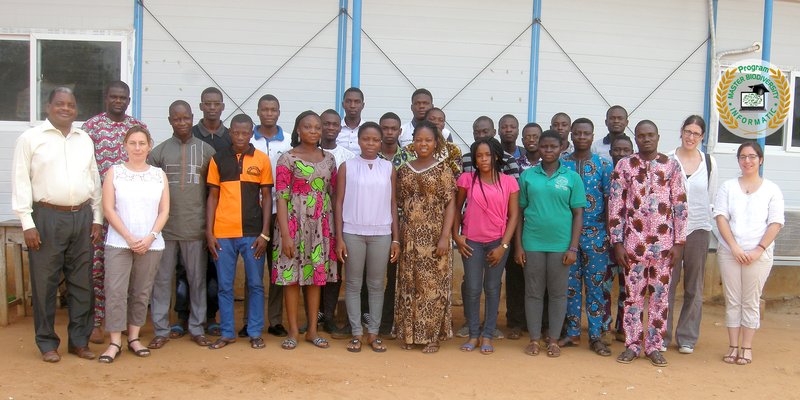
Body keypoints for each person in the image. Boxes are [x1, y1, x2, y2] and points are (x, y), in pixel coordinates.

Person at [12, 87, 103, 362]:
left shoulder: (84, 139)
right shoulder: (31, 138)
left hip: (82, 217)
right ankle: (47, 343)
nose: (66, 108)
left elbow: (94, 179)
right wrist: (27, 222)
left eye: (71, 104)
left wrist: (97, 218)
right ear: (48, 107)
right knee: (45, 284)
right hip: (46, 217)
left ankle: (79, 342)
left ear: (76, 109)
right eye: (60, 104)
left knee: (82, 284)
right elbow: (20, 181)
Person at [610, 120, 687, 367]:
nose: (646, 139)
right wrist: (617, 242)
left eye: (650, 135)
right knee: (632, 297)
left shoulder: (672, 166)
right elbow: (616, 204)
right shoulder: (625, 166)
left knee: (660, 297)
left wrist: (679, 242)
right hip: (633, 243)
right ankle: (632, 346)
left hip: (664, 246)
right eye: (641, 136)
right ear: (636, 139)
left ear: (658, 137)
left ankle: (654, 347)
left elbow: (680, 205)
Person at [81, 81, 147, 345]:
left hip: (130, 213)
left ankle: (126, 324)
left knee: (130, 270)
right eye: (114, 97)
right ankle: (97, 321)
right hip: (99, 212)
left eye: (123, 97)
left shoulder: (137, 128)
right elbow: (83, 167)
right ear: (106, 98)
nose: (118, 101)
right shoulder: (91, 127)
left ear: (128, 100)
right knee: (98, 269)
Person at [147, 101, 216, 350]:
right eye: (176, 119)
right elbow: (150, 193)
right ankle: (160, 329)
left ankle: (197, 328)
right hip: (164, 230)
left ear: (192, 117)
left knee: (197, 280)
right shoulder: (159, 152)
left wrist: (209, 228)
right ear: (170, 121)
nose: (182, 122)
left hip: (195, 227)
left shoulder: (207, 151)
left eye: (186, 118)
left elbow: (213, 193)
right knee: (161, 281)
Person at [99, 126, 169, 363]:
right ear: (125, 146)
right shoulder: (115, 172)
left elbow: (164, 210)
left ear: (149, 146)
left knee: (141, 291)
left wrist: (150, 236)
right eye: (132, 143)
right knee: (115, 292)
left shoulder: (158, 174)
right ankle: (114, 341)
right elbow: (108, 208)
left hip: (150, 244)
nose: (137, 148)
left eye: (142, 143)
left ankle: (134, 337)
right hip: (119, 243)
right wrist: (129, 237)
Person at [205, 114, 273, 350]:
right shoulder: (218, 159)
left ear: (252, 133)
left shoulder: (262, 159)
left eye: (245, 133)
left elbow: (267, 197)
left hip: (253, 234)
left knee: (255, 284)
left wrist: (265, 233)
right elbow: (212, 197)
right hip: (223, 233)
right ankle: (227, 333)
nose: (240, 137)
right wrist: (209, 232)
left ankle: (254, 332)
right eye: (236, 133)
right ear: (230, 132)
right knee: (225, 286)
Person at [515, 130, 585, 358]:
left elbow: (578, 214)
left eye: (553, 146)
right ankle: (534, 340)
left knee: (557, 294)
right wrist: (518, 246)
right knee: (533, 293)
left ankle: (553, 340)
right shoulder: (528, 176)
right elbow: (519, 213)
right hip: (532, 243)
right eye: (543, 146)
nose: (548, 150)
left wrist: (573, 247)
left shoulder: (572, 177)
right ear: (538, 147)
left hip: (561, 245)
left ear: (562, 148)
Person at [272, 111, 338, 350]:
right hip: (293, 225)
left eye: (317, 127)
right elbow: (281, 197)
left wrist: (335, 232)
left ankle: (312, 331)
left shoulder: (329, 159)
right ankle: (293, 330)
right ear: (298, 130)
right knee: (291, 278)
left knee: (315, 278)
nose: (313, 131)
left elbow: (333, 194)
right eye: (307, 127)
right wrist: (286, 235)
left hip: (320, 225)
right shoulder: (287, 159)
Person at [715, 142, 783, 365]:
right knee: (733, 300)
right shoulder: (728, 187)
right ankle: (733, 346)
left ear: (760, 160)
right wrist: (734, 247)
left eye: (752, 156)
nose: (747, 161)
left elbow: (775, 222)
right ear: (738, 160)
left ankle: (746, 347)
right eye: (743, 157)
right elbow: (721, 217)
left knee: (751, 300)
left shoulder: (771, 189)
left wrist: (758, 249)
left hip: (759, 255)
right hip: (730, 252)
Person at [335, 122, 400, 353]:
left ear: (381, 141)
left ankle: (373, 333)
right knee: (353, 284)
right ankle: (356, 333)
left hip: (381, 234)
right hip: (352, 232)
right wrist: (339, 237)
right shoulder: (347, 167)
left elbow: (393, 203)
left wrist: (395, 238)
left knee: (376, 285)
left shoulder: (388, 168)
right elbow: (338, 202)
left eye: (375, 139)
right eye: (366, 139)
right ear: (358, 140)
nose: (370, 143)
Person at [395, 120, 457, 353]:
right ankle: (410, 335)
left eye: (428, 140)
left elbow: (450, 205)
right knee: (410, 285)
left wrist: (444, 237)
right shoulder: (404, 169)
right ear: (413, 142)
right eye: (419, 139)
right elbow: (399, 202)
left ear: (436, 142)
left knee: (432, 287)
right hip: (409, 236)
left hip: (435, 236)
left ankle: (432, 337)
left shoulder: (443, 170)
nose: (423, 144)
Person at [454, 138, 519, 355]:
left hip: (497, 243)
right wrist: (456, 236)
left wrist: (503, 245)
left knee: (492, 288)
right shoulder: (466, 179)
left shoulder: (509, 182)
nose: (483, 159)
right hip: (471, 242)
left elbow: (514, 216)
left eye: (488, 155)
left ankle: (488, 334)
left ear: (496, 156)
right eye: (479, 155)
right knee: (473, 288)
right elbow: (456, 208)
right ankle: (473, 334)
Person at [663, 115, 718, 354]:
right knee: (666, 285)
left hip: (698, 230)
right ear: (681, 131)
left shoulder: (709, 162)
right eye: (688, 131)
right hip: (669, 232)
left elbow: (710, 198)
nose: (691, 137)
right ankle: (661, 336)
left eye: (696, 133)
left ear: (702, 137)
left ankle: (687, 337)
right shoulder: (667, 159)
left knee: (694, 286)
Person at [560, 118, 613, 356]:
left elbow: (610, 201)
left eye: (586, 133)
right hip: (566, 236)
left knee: (595, 286)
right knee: (570, 286)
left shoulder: (604, 165)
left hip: (597, 236)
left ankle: (595, 335)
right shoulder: (562, 165)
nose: (582, 137)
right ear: (571, 135)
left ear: (592, 136)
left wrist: (610, 234)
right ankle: (572, 332)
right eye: (578, 133)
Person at [190, 87, 232, 337]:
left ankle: (211, 317)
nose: (212, 107)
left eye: (216, 103)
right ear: (201, 106)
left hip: (223, 212)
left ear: (223, 107)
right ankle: (183, 316)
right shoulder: (191, 134)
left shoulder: (230, 137)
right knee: (188, 268)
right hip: (194, 209)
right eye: (208, 103)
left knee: (216, 269)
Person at [251, 94, 292, 338]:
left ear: (278, 112)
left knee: (277, 269)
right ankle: (249, 321)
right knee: (253, 270)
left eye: (273, 109)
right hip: (252, 213)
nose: (269, 113)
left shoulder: (287, 140)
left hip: (280, 213)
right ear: (258, 112)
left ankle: (275, 320)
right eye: (264, 109)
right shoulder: (248, 139)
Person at [376, 112, 415, 339]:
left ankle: (388, 322)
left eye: (393, 128)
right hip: (374, 222)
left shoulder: (410, 158)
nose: (389, 132)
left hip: (401, 224)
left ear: (400, 131)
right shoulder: (371, 156)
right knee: (370, 275)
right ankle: (366, 318)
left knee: (394, 275)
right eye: (385, 128)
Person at [600, 135, 634, 345]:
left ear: (632, 152)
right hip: (607, 241)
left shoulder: (637, 175)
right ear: (610, 152)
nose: (621, 154)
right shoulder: (606, 174)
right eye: (617, 150)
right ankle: (605, 327)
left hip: (631, 241)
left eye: (626, 150)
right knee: (604, 287)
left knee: (627, 287)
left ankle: (623, 327)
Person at [405, 108, 463, 178]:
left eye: (440, 120)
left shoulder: (453, 149)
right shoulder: (409, 149)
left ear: (444, 124)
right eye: (432, 119)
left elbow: (457, 177)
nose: (436, 122)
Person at [337, 87, 365, 155]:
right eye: (348, 101)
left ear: (363, 105)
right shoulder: (335, 129)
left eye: (357, 102)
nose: (352, 106)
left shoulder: (368, 130)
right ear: (343, 105)